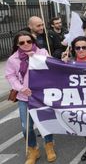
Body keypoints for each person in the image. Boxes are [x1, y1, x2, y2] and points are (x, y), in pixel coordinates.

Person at [5, 31, 56, 164]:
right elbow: (10, 76)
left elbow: (53, 67)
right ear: (17, 44)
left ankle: (49, 146)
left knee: (45, 122)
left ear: (33, 42)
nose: (26, 44)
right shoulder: (13, 59)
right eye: (22, 42)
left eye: (29, 41)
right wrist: (21, 88)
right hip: (24, 97)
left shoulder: (42, 52)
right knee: (26, 127)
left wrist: (37, 59)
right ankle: (33, 150)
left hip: (41, 96)